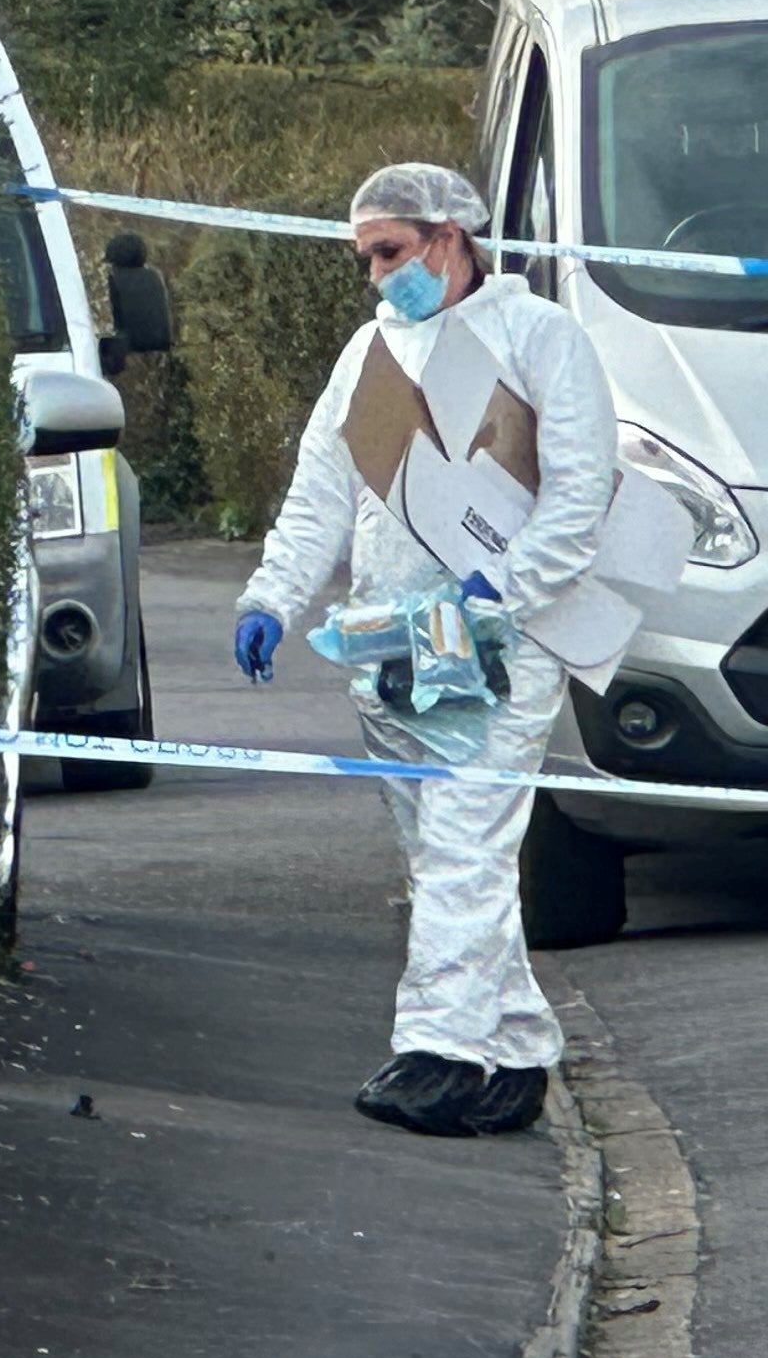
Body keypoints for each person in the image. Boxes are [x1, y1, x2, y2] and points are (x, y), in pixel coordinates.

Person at [236, 163, 637, 1140]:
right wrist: (271, 596)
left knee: (464, 843)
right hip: (393, 640)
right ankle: (515, 1054)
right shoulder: (372, 354)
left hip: (502, 640)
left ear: (451, 237)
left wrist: (507, 586)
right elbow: (322, 492)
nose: (377, 277)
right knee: (448, 858)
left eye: (391, 253)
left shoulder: (541, 339)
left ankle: (440, 1054)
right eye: (365, 259)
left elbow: (582, 490)